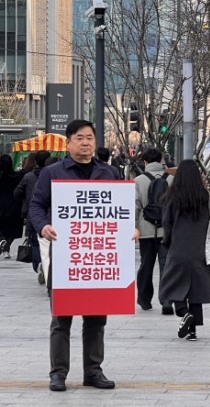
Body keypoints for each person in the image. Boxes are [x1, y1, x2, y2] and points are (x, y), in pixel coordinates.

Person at [29, 119, 121, 391]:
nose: (85, 142)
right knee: (61, 318)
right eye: (79, 137)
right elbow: (37, 204)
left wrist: (130, 231)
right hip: (67, 255)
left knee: (96, 318)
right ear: (68, 142)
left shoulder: (109, 173)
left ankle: (93, 371)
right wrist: (43, 225)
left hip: (96, 257)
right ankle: (58, 373)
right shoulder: (53, 172)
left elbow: (120, 209)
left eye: (90, 137)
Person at [159, 159, 210, 341]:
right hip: (199, 250)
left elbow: (167, 223)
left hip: (178, 248)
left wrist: (167, 241)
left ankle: (183, 312)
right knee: (196, 290)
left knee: (171, 285)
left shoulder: (172, 196)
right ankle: (193, 332)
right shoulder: (205, 196)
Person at [135, 148, 174, 314]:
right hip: (167, 230)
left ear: (145, 162)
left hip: (145, 230)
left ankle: (145, 300)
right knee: (166, 266)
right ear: (161, 161)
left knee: (146, 265)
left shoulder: (138, 180)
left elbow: (134, 206)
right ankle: (167, 301)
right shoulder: (172, 179)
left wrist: (134, 228)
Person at [13, 150, 51, 283]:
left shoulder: (28, 177)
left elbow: (17, 193)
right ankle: (47, 266)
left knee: (35, 242)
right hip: (52, 217)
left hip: (33, 215)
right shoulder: (54, 175)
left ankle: (39, 265)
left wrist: (25, 200)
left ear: (35, 162)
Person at [0, 154, 26, 259]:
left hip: (1, 206)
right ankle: (6, 246)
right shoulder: (17, 177)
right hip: (14, 206)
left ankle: (2, 242)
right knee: (13, 230)